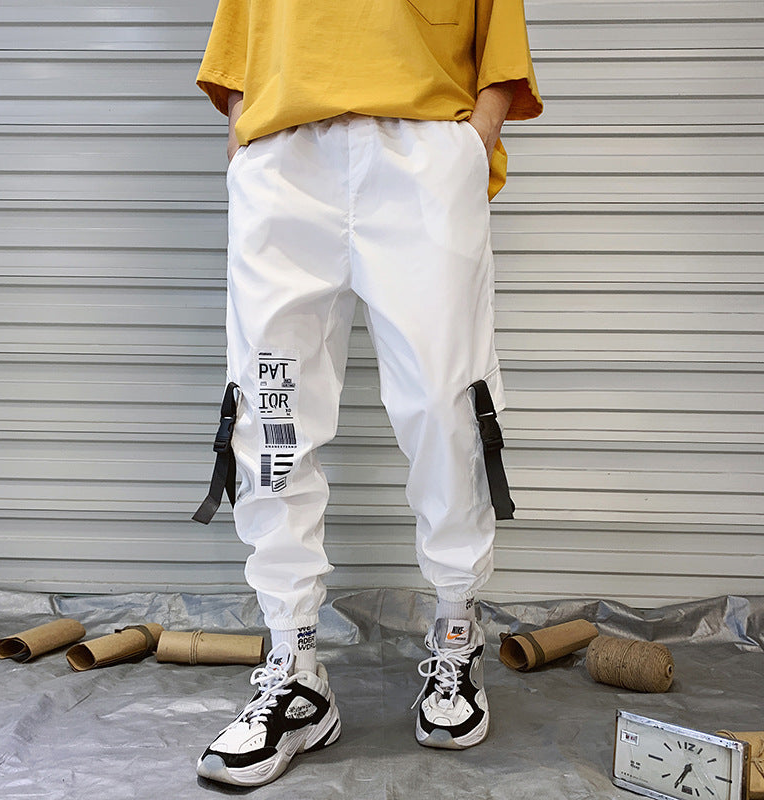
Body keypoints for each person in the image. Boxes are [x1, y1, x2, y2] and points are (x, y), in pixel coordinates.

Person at [191, 0, 543, 787]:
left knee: (447, 404)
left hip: (421, 152)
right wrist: (247, 142)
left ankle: (457, 633)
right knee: (271, 412)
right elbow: (239, 44)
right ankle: (294, 670)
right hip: (284, 154)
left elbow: (501, 44)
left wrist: (472, 144)